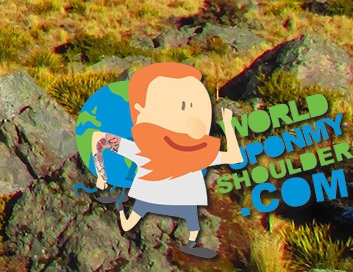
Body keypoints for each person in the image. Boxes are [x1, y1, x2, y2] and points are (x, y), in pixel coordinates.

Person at [88, 61, 244, 260]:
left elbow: (99, 139)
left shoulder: (194, 152)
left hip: (161, 200)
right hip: (158, 200)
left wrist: (102, 173)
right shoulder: (152, 150)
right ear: (141, 111)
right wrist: (228, 126)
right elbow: (99, 139)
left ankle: (188, 243)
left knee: (184, 220)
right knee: (183, 220)